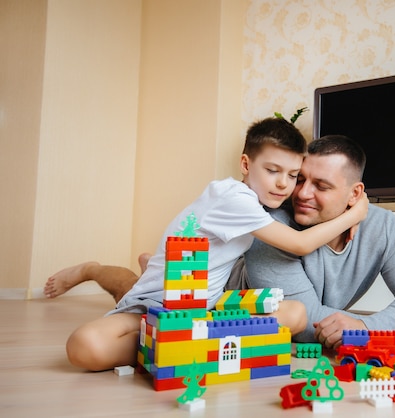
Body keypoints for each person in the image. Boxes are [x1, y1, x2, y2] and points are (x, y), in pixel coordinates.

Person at [46, 117, 369, 372]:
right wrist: (356, 213)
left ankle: (181, 330)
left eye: (293, 175)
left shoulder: (261, 199)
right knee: (84, 347)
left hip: (208, 308)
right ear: (245, 165)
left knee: (295, 313)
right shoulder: (235, 199)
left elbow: (302, 214)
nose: (284, 184)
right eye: (273, 171)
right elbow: (299, 243)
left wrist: (343, 207)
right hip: (159, 306)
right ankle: (92, 269)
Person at [235, 134, 395, 350]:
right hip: (221, 318)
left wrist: (366, 327)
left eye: (321, 186)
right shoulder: (272, 226)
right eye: (299, 179)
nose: (302, 193)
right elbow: (304, 320)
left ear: (355, 194)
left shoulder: (383, 226)